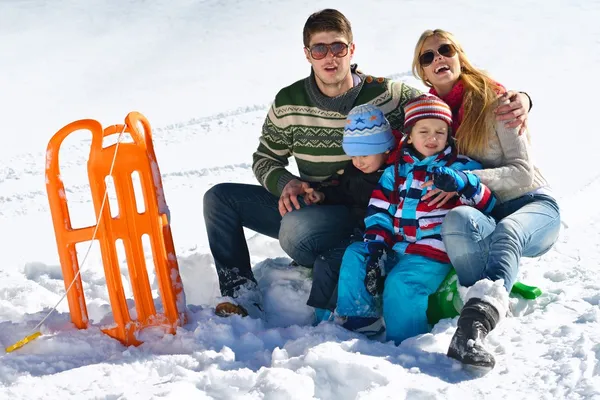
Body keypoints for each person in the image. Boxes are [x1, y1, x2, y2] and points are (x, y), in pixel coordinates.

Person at [202, 8, 531, 318]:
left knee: (297, 227)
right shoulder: (289, 102)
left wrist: (520, 100)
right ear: (307, 53)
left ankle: (352, 256)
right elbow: (265, 160)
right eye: (319, 49)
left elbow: (440, 113)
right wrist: (286, 184)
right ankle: (241, 297)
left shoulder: (388, 95)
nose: (329, 56)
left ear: (351, 50)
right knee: (220, 198)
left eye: (338, 47)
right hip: (312, 204)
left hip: (365, 208)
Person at [411, 29, 561, 369]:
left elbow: (522, 172)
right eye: (427, 56)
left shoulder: (498, 101)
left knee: (508, 232)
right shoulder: (432, 118)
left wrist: (466, 180)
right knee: (457, 220)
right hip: (486, 211)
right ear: (422, 71)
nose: (438, 58)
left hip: (532, 204)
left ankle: (473, 327)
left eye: (444, 49)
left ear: (459, 55)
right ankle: (482, 296)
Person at [335, 94, 497, 342]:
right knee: (357, 254)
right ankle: (360, 319)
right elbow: (379, 211)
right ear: (409, 135)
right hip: (396, 245)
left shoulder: (461, 166)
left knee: (402, 283)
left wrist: (464, 183)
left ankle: (406, 341)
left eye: (440, 132)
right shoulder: (395, 171)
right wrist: (377, 245)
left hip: (431, 250)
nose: (432, 138)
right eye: (424, 131)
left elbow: (487, 203)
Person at [304, 103, 400, 321]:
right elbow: (344, 192)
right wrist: (324, 196)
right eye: (354, 155)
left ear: (385, 148)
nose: (358, 162)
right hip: (360, 232)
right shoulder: (355, 171)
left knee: (350, 266)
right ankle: (321, 317)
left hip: (386, 238)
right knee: (325, 262)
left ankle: (346, 315)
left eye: (365, 154)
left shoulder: (398, 172)